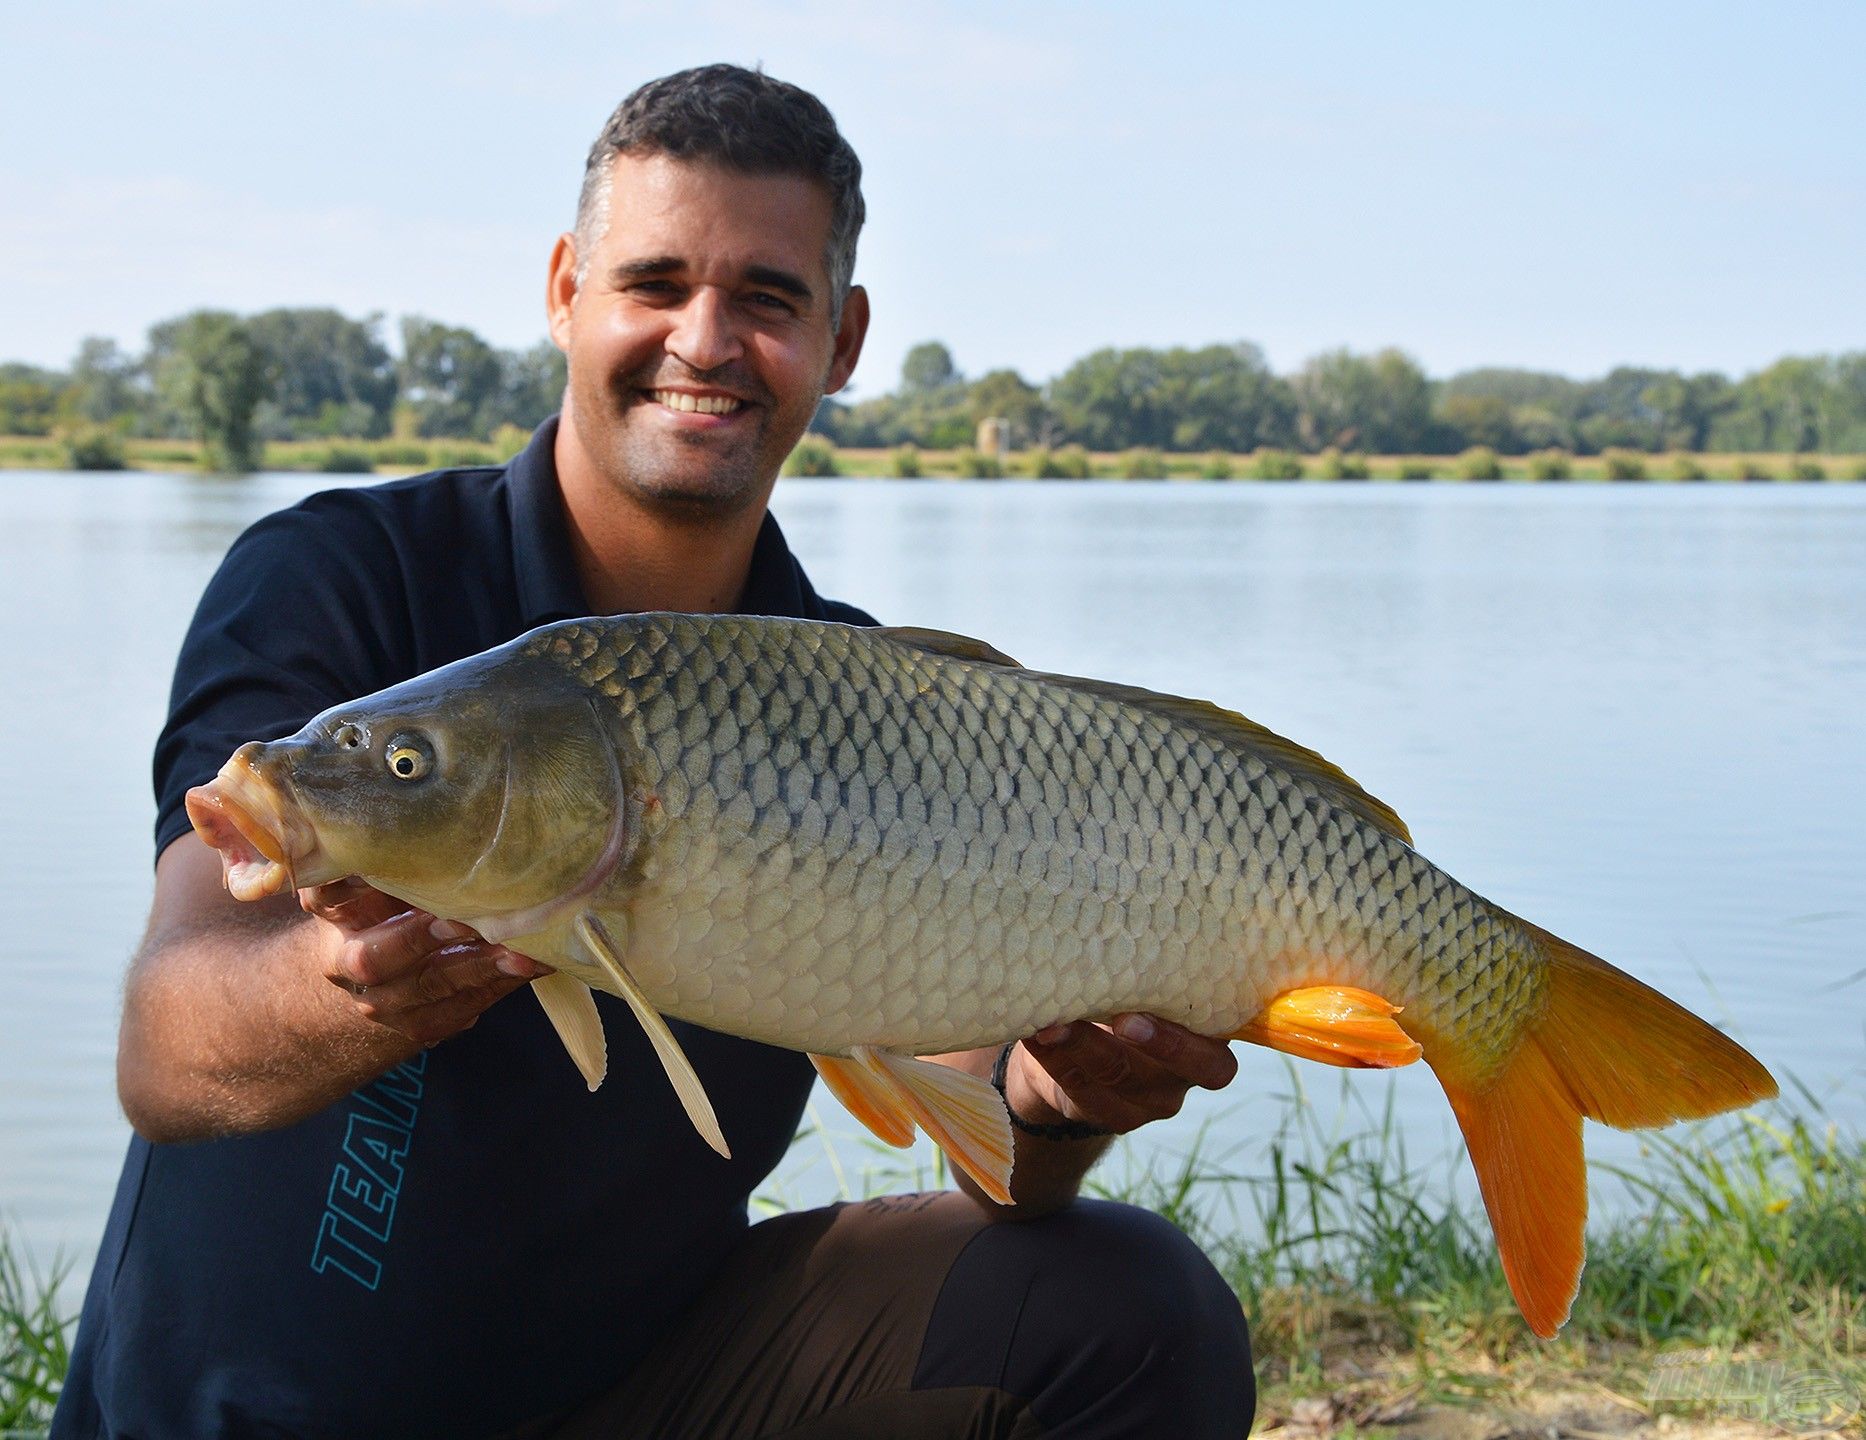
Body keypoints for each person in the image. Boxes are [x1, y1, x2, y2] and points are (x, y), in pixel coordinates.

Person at [55, 65, 1254, 1438]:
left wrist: (1054, 1097)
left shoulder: (857, 690)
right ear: (565, 288)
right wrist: (354, 994)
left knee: (1131, 1312)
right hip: (262, 1413)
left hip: (643, 1386)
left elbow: (1002, 1154)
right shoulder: (342, 580)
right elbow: (167, 1048)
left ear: (842, 338)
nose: (704, 338)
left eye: (766, 297)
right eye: (653, 280)